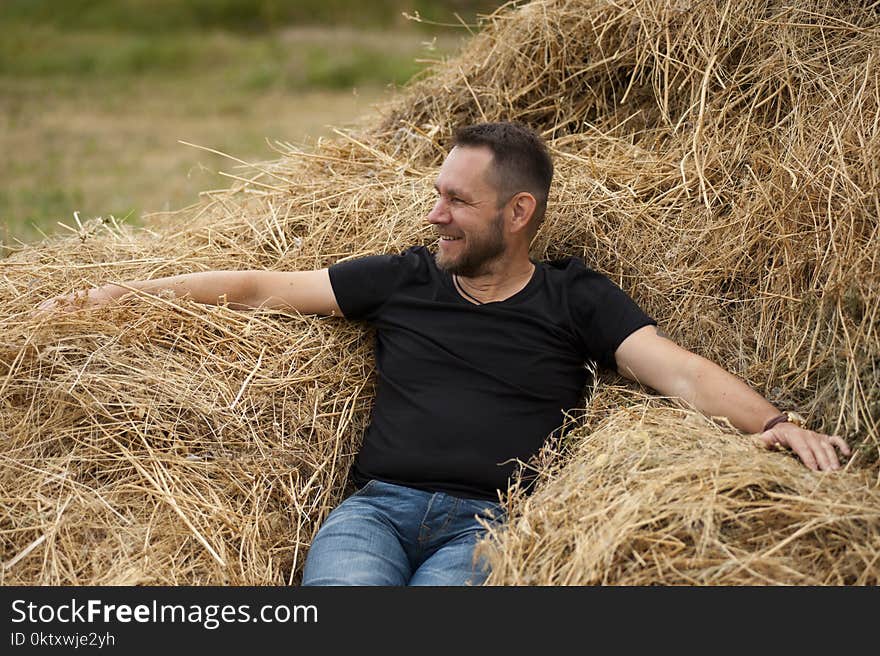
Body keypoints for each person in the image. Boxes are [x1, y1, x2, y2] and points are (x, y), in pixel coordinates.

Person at [37, 121, 851, 586]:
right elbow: (260, 286)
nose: (436, 215)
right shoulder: (402, 279)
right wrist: (123, 297)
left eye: (458, 200)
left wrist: (770, 422)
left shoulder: (576, 298)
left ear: (519, 211)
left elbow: (675, 369)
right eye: (437, 195)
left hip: (489, 524)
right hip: (375, 511)